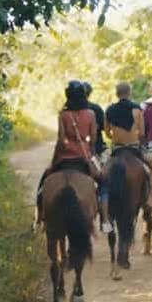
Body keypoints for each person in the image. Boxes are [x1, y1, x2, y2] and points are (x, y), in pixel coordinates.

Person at [35, 80, 112, 233]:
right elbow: (94, 138)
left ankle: (40, 217)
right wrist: (90, 154)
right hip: (84, 157)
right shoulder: (91, 114)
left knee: (44, 182)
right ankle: (105, 219)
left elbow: (61, 139)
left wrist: (56, 158)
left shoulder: (63, 115)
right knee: (103, 182)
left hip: (65, 157)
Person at [105, 82, 144, 157]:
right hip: (134, 146)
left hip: (117, 147)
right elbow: (142, 134)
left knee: (102, 165)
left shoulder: (109, 110)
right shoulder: (137, 109)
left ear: (117, 94)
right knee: (150, 165)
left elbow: (107, 134)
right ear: (130, 93)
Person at [83, 82, 107, 165]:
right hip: (95, 147)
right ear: (89, 93)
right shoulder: (96, 108)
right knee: (104, 171)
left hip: (74, 149)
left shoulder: (68, 109)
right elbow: (104, 127)